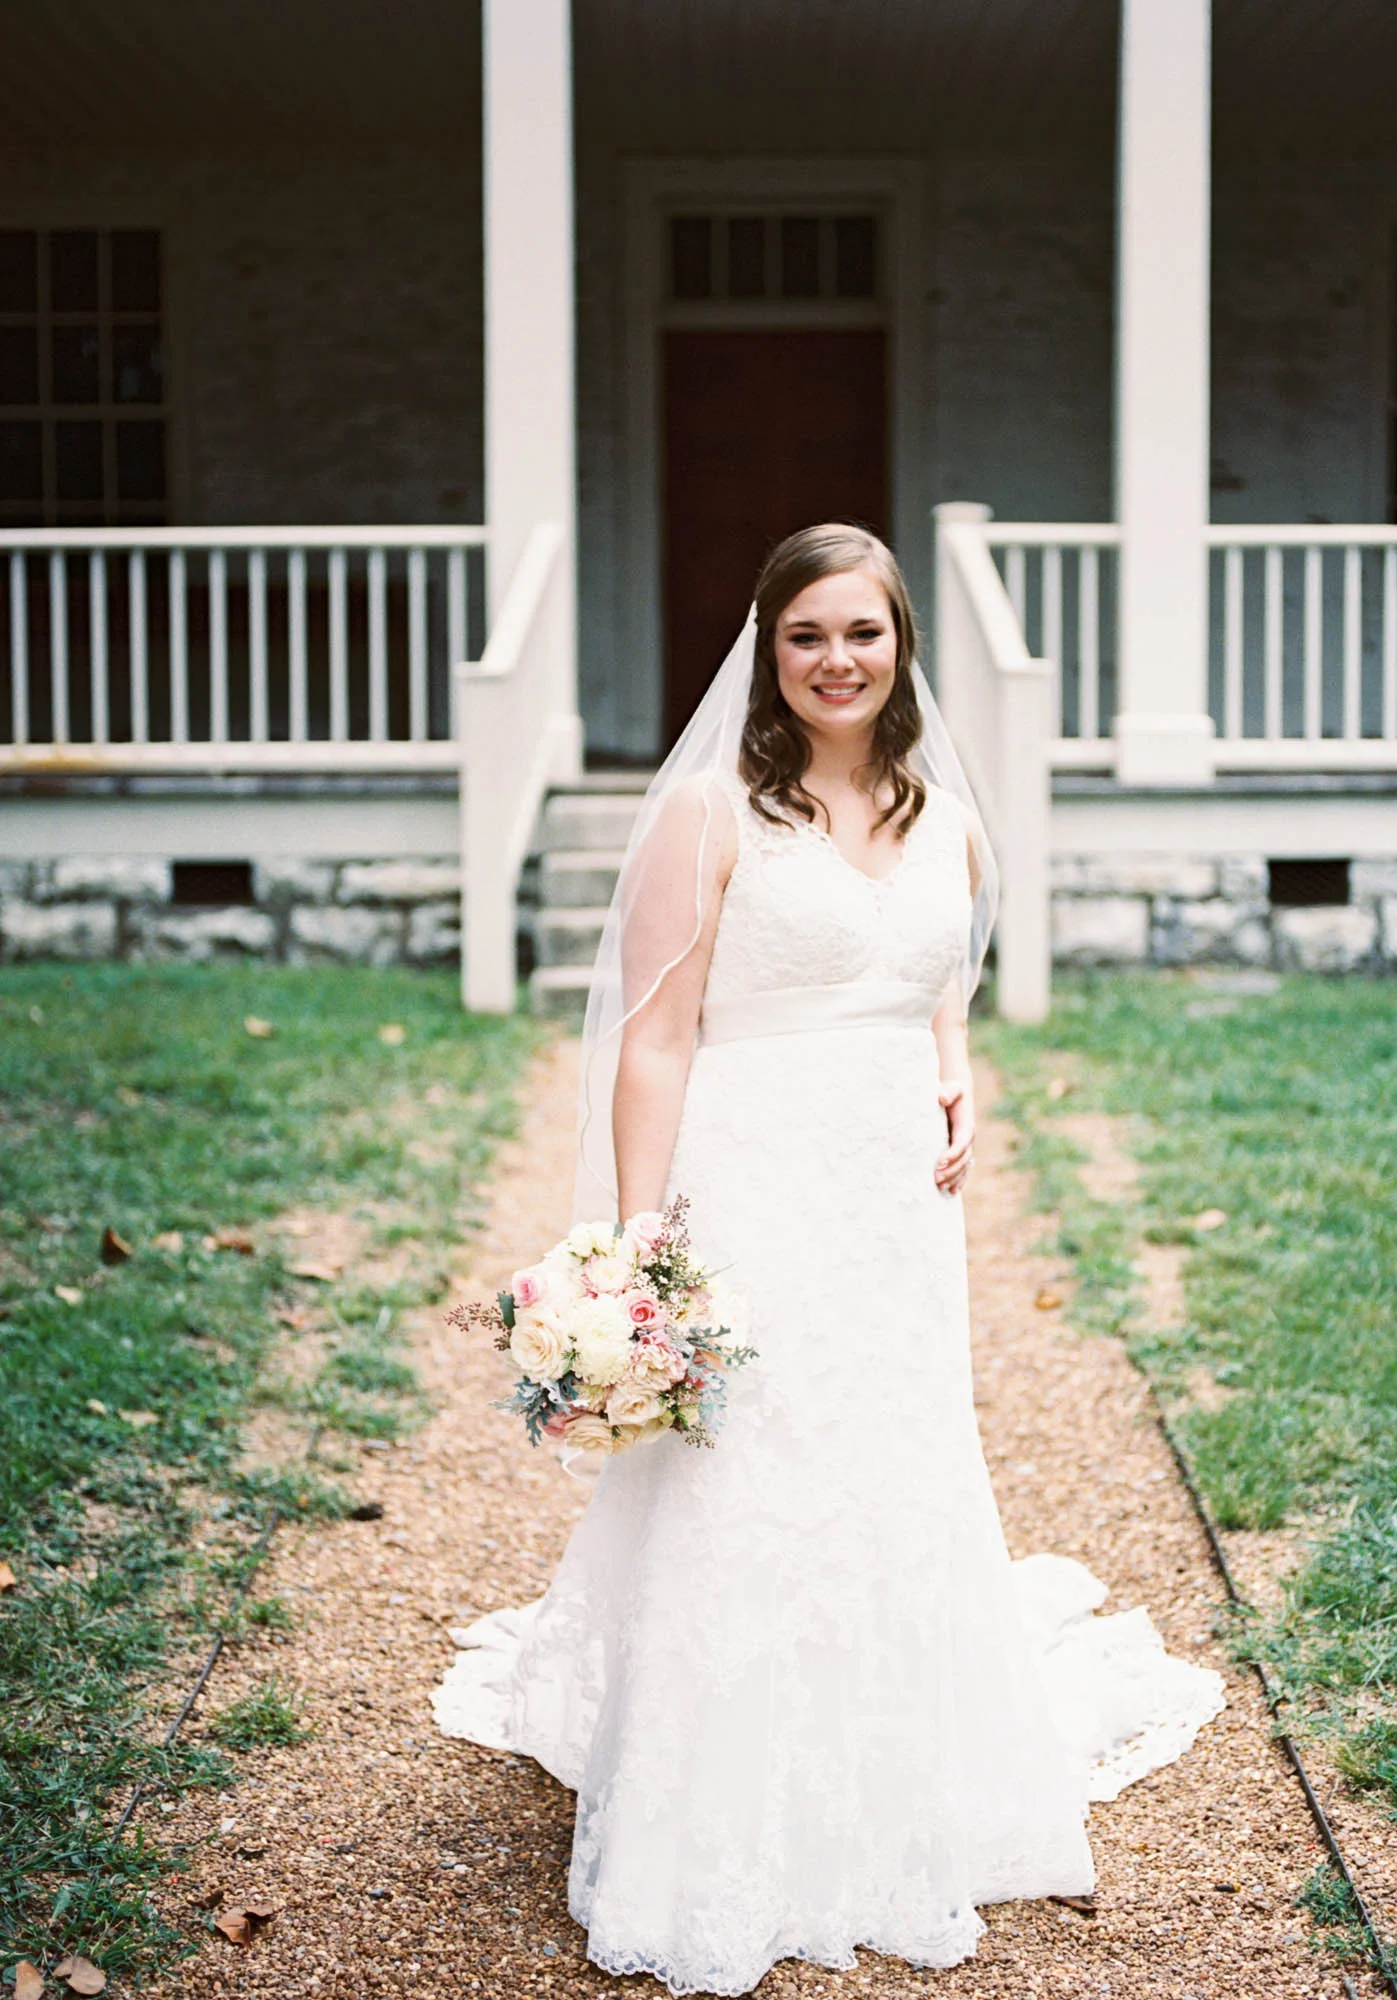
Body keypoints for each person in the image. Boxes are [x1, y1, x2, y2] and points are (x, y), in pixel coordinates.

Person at [433, 524, 1223, 1996]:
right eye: (807, 636)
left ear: (901, 641)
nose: (837, 661)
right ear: (768, 649)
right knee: (753, 1467)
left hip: (893, 1201)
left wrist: (957, 1071)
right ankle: (719, 1790)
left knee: (895, 1449)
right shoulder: (709, 813)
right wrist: (640, 1238)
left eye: (862, 633)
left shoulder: (949, 815)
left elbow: (937, 985)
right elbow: (657, 1036)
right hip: (752, 1176)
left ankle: (897, 1756)